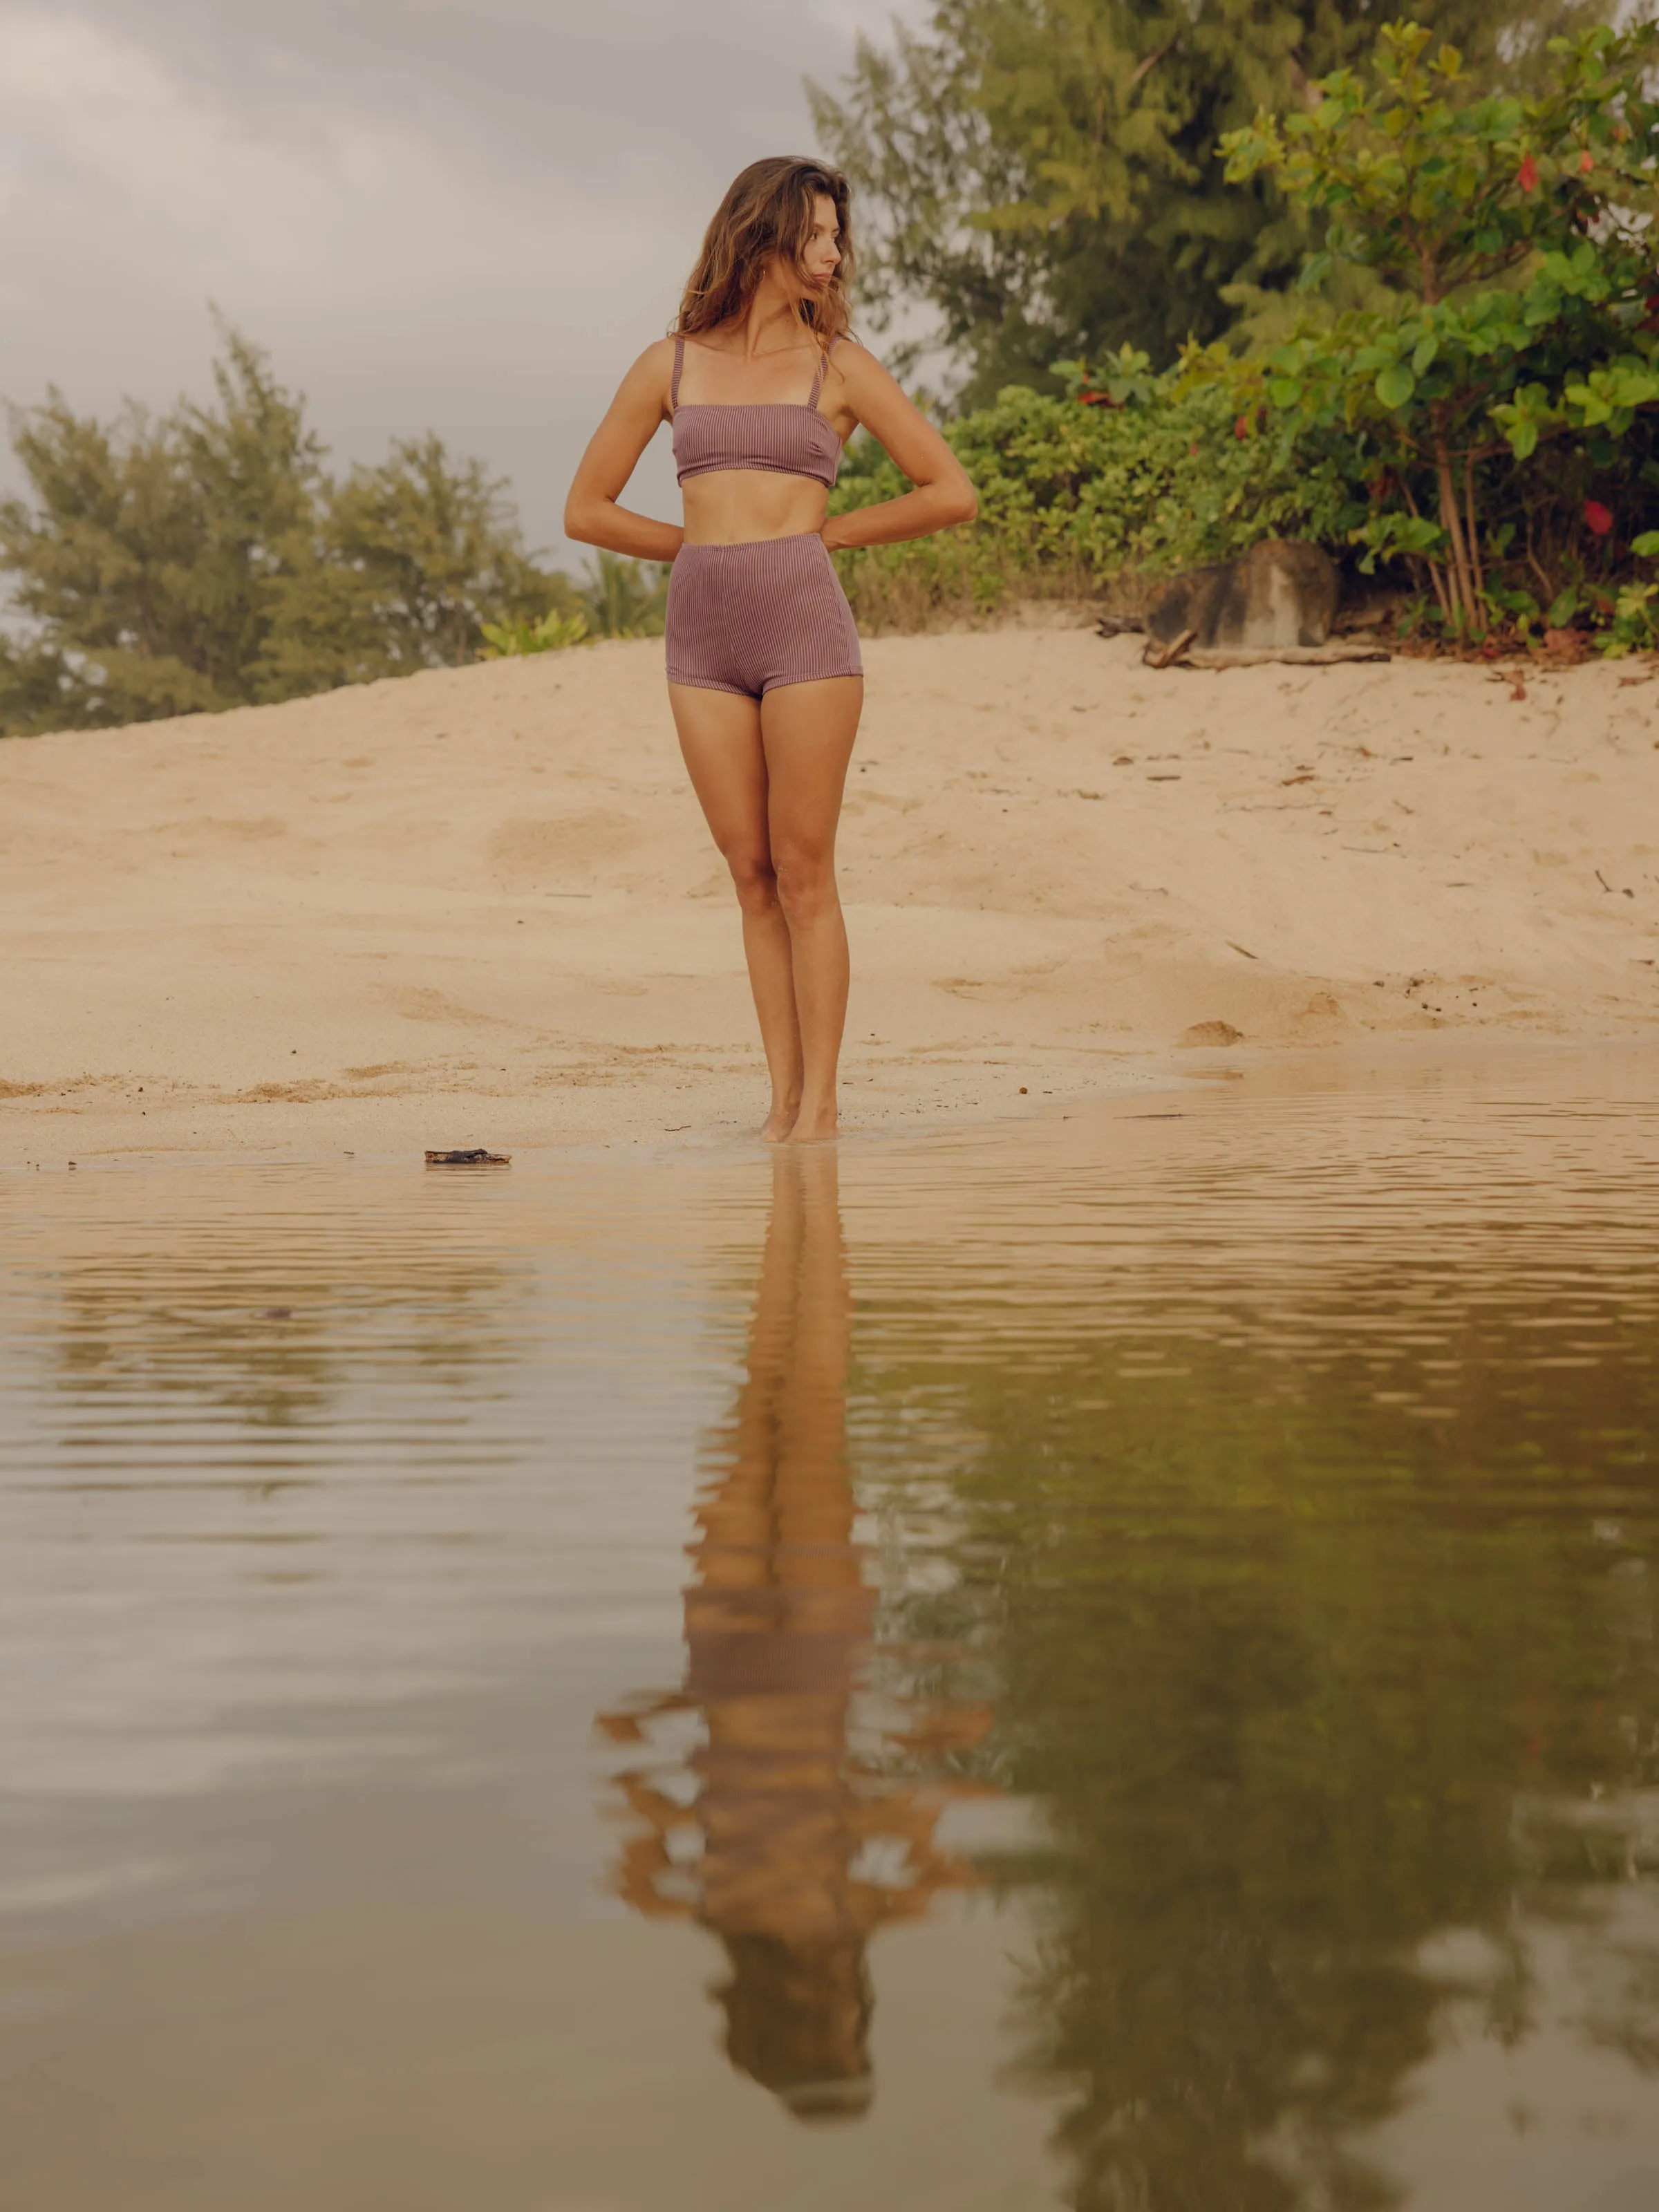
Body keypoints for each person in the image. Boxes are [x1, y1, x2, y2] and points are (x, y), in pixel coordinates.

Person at [565, 157, 977, 1144]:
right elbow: (586, 509)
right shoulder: (669, 364)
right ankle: (781, 1102)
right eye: (819, 234)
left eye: (839, 236)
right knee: (749, 873)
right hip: (700, 638)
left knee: (803, 869)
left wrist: (825, 537)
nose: (835, 253)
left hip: (805, 631)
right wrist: (698, 550)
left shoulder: (840, 365)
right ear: (763, 235)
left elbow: (948, 490)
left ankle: (822, 1109)